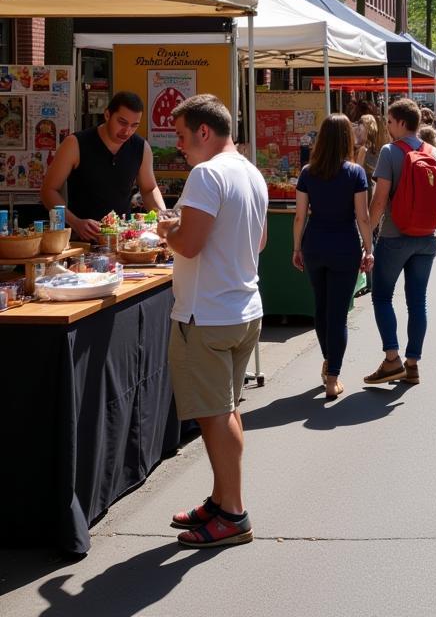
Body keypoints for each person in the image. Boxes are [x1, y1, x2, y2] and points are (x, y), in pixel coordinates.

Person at [158, 95, 267, 549]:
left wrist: (168, 229)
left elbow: (189, 245)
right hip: (243, 309)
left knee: (216, 416)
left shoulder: (206, 174)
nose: (179, 146)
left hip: (207, 315)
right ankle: (223, 502)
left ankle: (234, 513)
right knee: (225, 411)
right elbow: (258, 242)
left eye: (182, 137)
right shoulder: (250, 170)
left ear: (205, 132)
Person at [364, 98, 436, 387]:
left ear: (401, 123)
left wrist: (366, 237)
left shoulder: (390, 152)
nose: (386, 127)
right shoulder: (434, 153)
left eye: (388, 121)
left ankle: (392, 359)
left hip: (395, 236)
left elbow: (379, 200)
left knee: (382, 296)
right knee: (417, 302)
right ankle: (412, 364)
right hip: (426, 239)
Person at [293, 115, 374, 400]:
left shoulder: (307, 172)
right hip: (345, 246)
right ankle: (333, 377)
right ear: (346, 139)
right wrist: (369, 247)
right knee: (338, 313)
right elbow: (362, 217)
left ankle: (328, 359)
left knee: (321, 308)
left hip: (315, 244)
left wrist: (296, 247)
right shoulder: (355, 173)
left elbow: (300, 215)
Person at [41, 90, 167, 241]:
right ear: (107, 115)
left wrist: (163, 216)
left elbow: (149, 189)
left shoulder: (141, 147)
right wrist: (75, 222)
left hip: (122, 240)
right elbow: (48, 191)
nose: (127, 131)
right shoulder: (75, 144)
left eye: (134, 125)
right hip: (82, 240)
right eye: (122, 122)